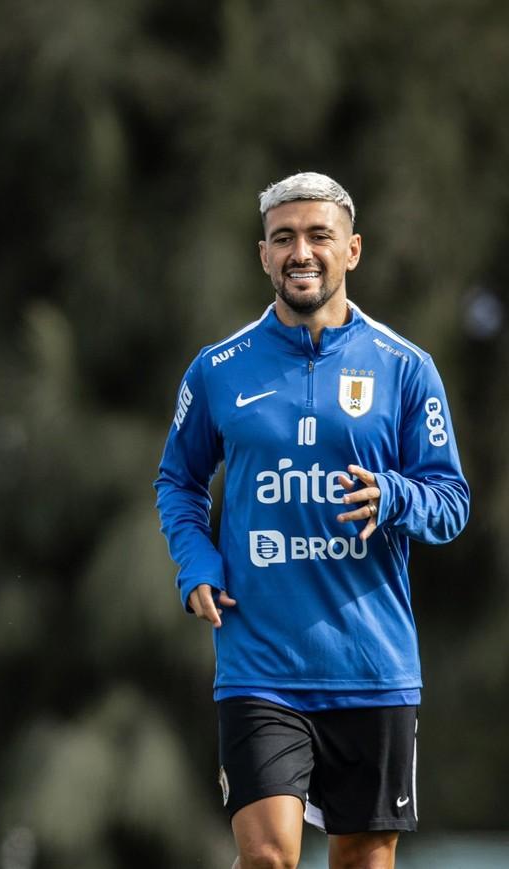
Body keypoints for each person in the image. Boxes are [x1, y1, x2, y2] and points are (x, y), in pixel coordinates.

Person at [154, 172, 469, 869]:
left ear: (351, 249)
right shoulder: (218, 369)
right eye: (284, 237)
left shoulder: (406, 368)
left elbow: (450, 502)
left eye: (318, 235)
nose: (302, 251)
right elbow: (178, 479)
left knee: (362, 860)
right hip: (260, 662)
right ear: (263, 254)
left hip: (372, 665)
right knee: (268, 856)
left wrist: (392, 497)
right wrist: (197, 561)